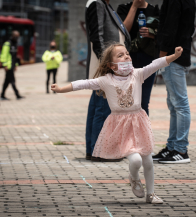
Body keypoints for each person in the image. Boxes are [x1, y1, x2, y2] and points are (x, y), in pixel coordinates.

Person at [51, 43, 184, 204]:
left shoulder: (137, 74)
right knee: (135, 160)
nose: (126, 56)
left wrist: (174, 56)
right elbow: (83, 83)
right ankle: (134, 178)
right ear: (111, 65)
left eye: (127, 53)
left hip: (139, 121)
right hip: (120, 126)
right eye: (120, 55)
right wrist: (60, 88)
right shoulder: (105, 80)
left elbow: (156, 64)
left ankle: (151, 194)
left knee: (147, 160)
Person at [85, 0, 131, 161]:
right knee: (103, 109)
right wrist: (108, 67)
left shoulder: (104, 4)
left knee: (97, 107)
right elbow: (97, 37)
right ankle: (101, 151)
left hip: (105, 67)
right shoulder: (97, 3)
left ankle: (93, 149)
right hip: (105, 67)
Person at [152, 0, 196, 164]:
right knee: (174, 104)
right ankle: (172, 147)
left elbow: (169, 27)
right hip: (180, 56)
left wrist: (162, 57)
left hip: (172, 57)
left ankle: (180, 150)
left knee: (179, 103)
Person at [117, 0, 160, 115]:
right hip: (127, 59)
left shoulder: (154, 10)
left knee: (144, 100)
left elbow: (163, 34)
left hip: (148, 59)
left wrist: (151, 34)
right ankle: (126, 130)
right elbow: (123, 30)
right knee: (125, 99)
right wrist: (134, 7)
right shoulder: (123, 8)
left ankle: (143, 131)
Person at [0, 30, 24, 100]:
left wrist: (16, 65)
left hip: (12, 65)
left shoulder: (15, 43)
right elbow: (3, 55)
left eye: (18, 37)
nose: (17, 38)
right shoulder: (7, 44)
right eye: (16, 36)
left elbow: (15, 56)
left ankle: (2, 95)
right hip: (8, 66)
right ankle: (17, 95)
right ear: (12, 36)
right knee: (12, 80)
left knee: (7, 81)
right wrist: (5, 65)